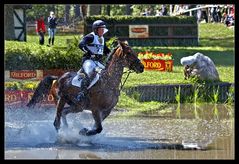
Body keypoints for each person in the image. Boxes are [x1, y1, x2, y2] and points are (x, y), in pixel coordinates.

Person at [76, 20, 111, 103]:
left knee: (107, 73)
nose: (103, 31)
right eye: (101, 29)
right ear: (96, 29)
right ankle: (81, 93)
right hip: (88, 61)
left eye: (103, 29)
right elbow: (81, 44)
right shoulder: (90, 37)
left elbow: (106, 51)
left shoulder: (102, 39)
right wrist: (89, 52)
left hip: (97, 62)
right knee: (91, 73)